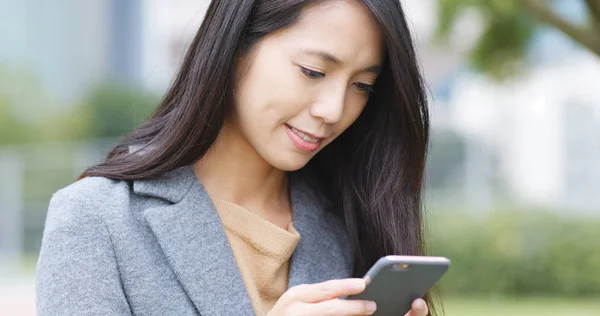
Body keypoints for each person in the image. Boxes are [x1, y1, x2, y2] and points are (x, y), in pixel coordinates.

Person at [36, 0, 436, 315]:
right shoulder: (96, 220)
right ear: (234, 48)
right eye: (313, 72)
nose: (333, 110)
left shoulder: (351, 219)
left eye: (362, 86)